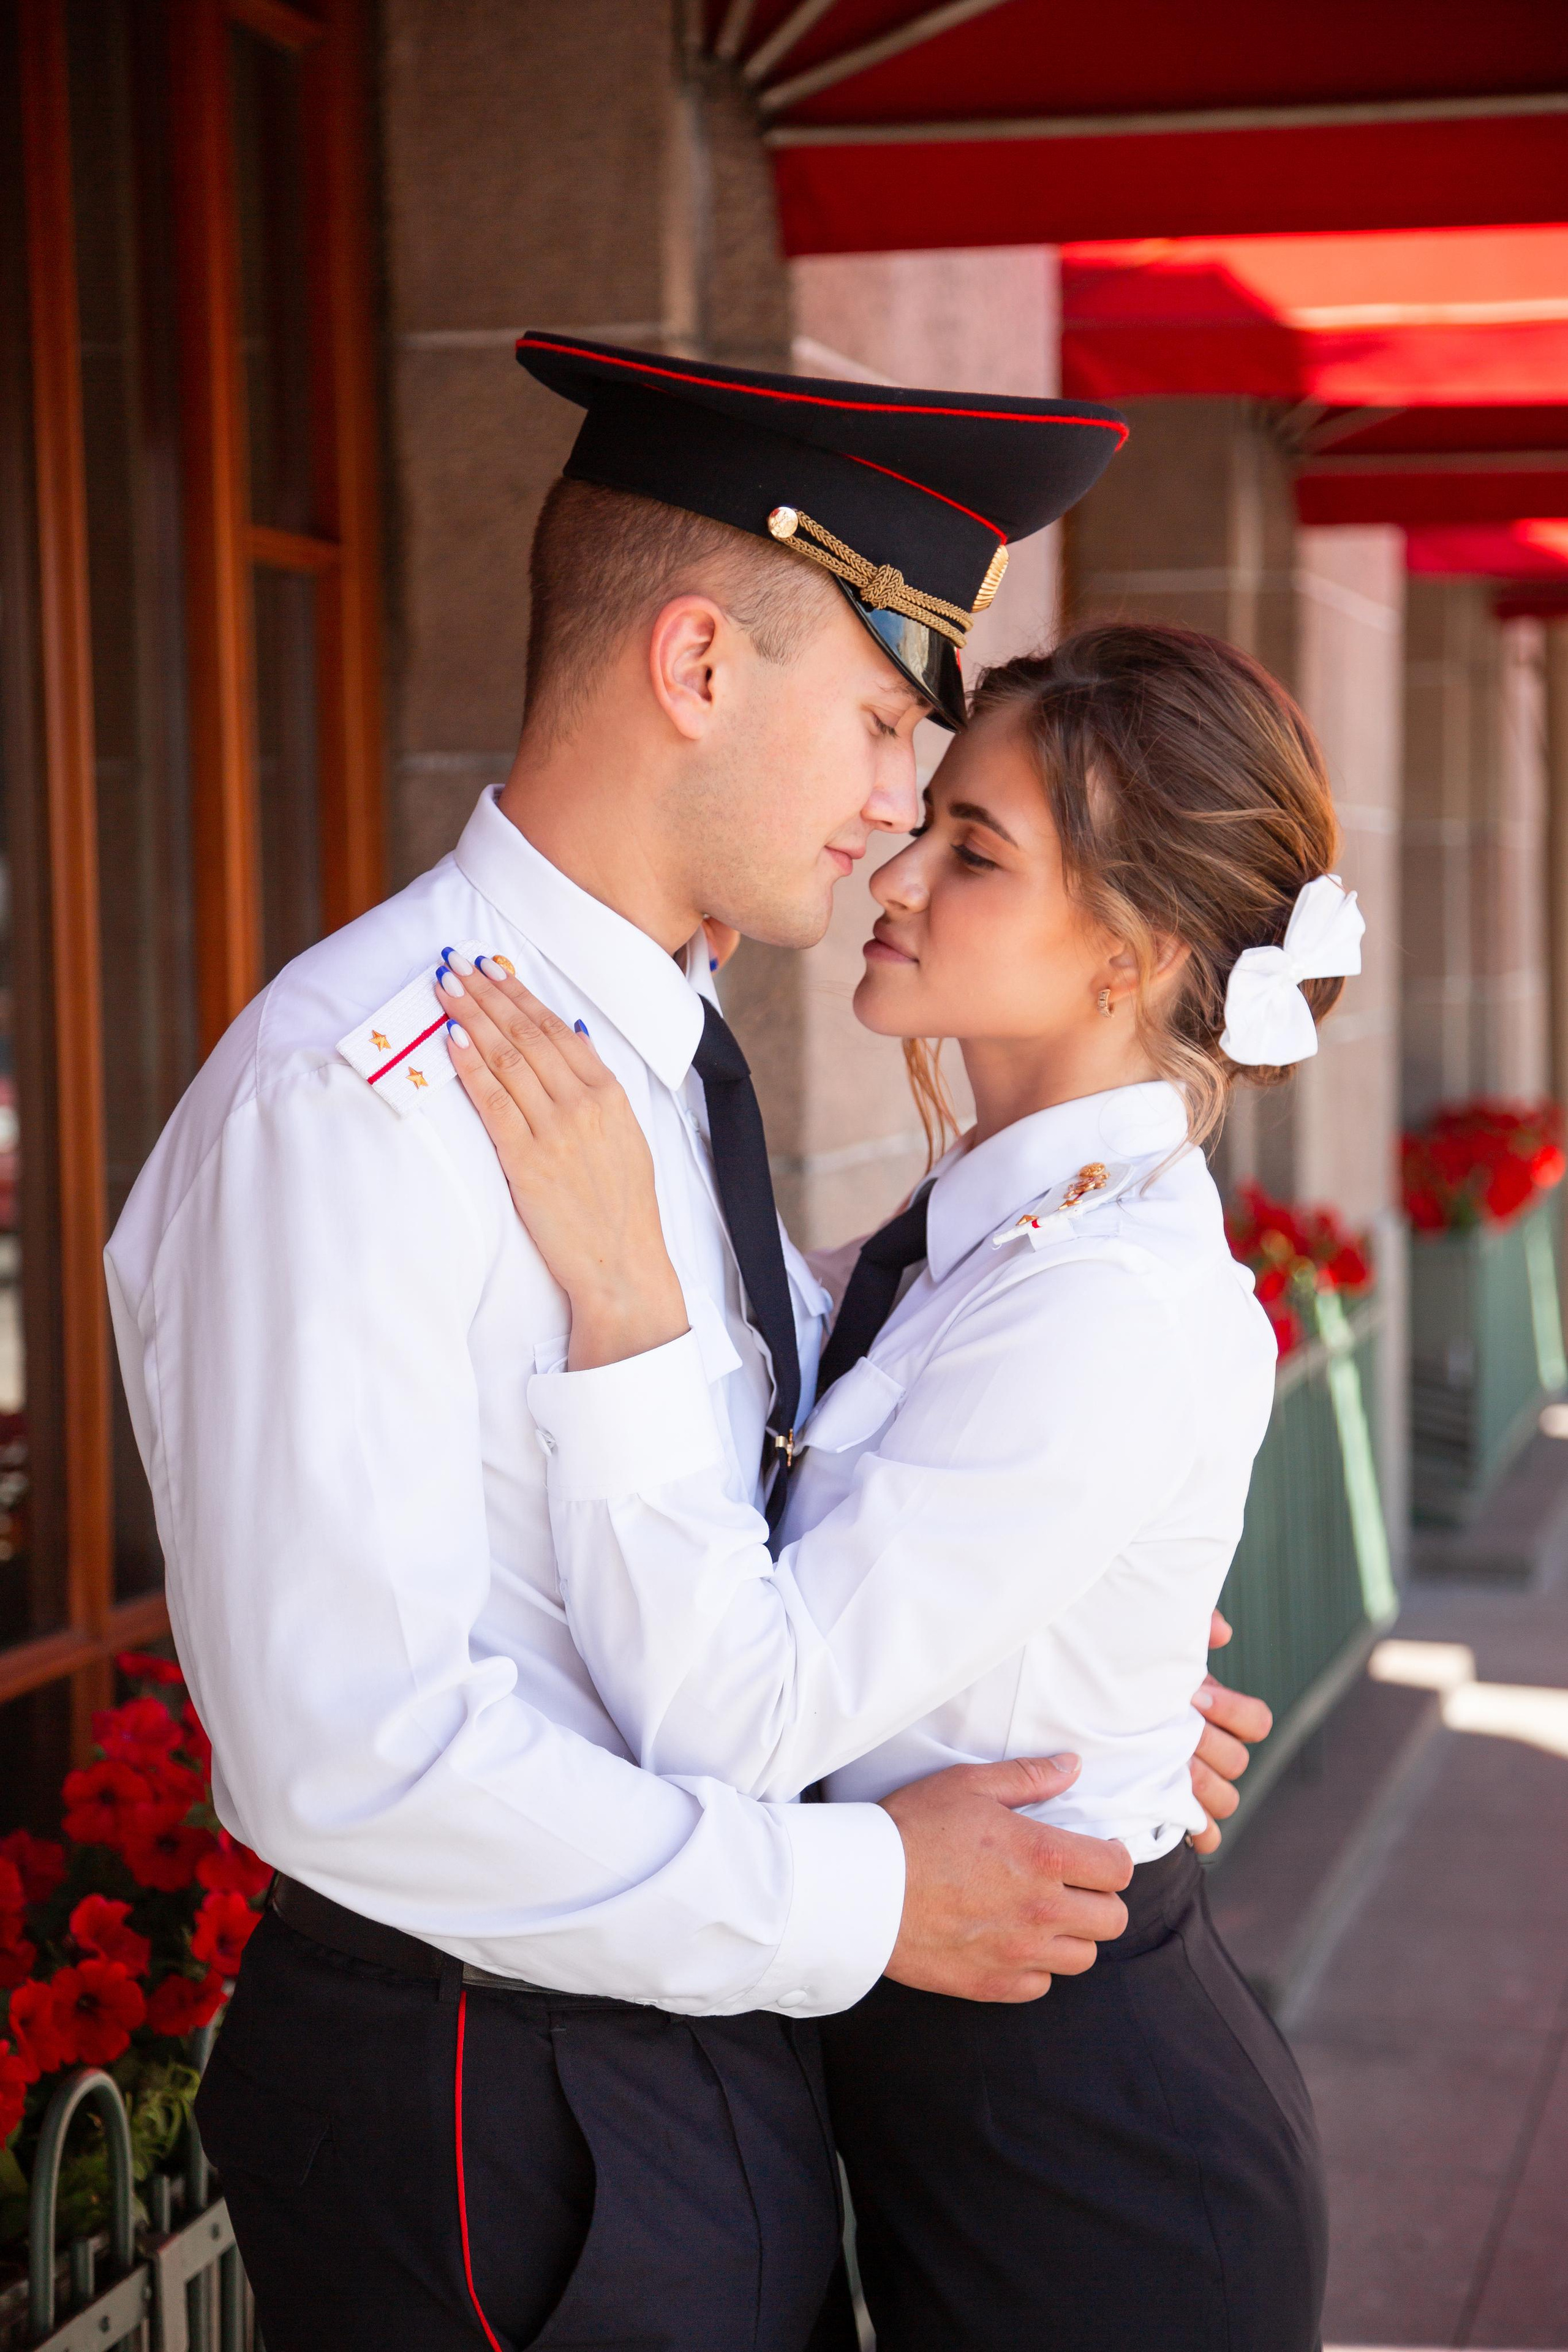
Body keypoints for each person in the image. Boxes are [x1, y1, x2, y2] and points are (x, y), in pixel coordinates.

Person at [105, 337, 1269, 2351]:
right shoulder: (361, 1096)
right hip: (500, 2098)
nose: (904, 812)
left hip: (695, 2059)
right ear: (701, 669)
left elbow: (760, 1498)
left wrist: (1057, 1686)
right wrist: (870, 1900)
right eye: (892, 726)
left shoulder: (654, 1041)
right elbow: (347, 1757)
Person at [437, 621, 1352, 2351]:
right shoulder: (990, 1236)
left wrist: (625, 1299)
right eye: (925, 814)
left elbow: (742, 1713)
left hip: (1101, 2173)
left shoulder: (1114, 1299)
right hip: (954, 2103)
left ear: (1130, 957)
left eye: (975, 851)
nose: (898, 864)